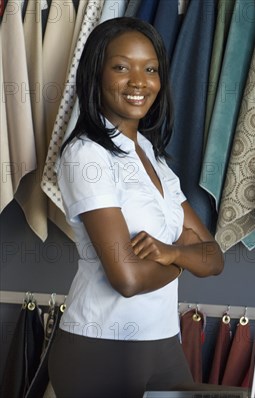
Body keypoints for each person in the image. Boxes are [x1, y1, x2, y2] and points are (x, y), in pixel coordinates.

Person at [48, 17, 224, 397]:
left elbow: (214, 257)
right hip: (101, 349)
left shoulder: (151, 154)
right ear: (96, 73)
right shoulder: (86, 156)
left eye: (150, 69)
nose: (139, 81)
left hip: (164, 343)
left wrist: (168, 252)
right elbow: (126, 279)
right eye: (122, 67)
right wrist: (182, 259)